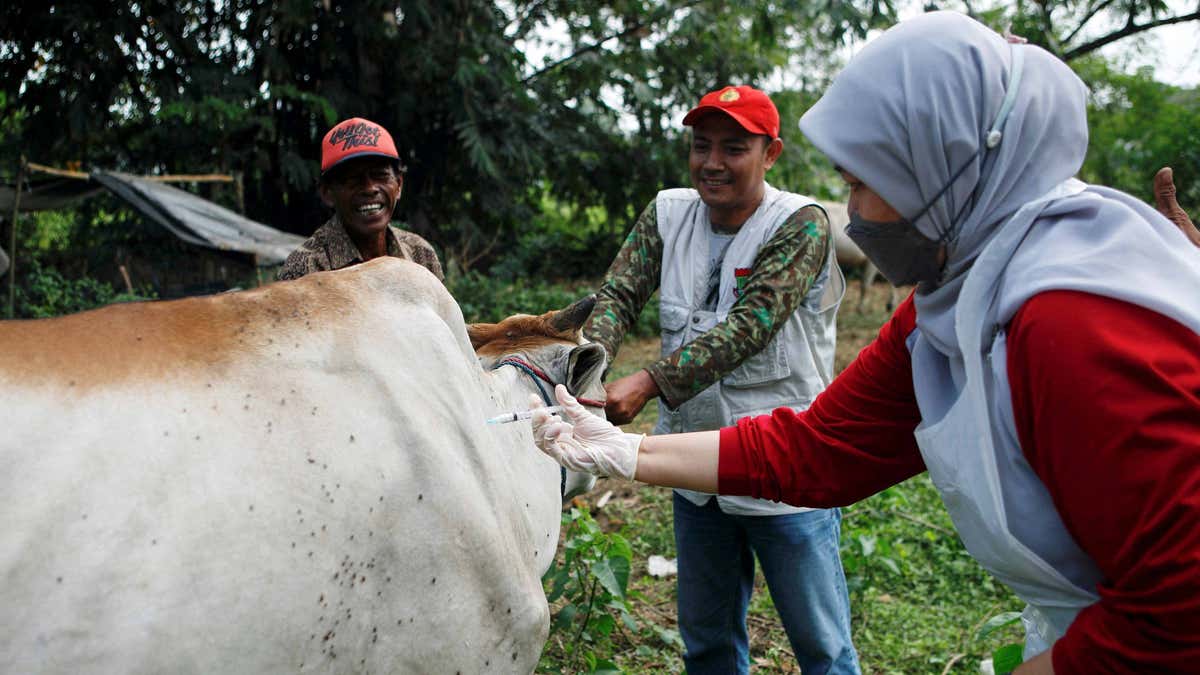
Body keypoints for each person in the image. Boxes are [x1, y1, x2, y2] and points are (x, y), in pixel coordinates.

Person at [531, 12, 1200, 674]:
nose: (855, 215)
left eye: (862, 184)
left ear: (942, 169)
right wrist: (630, 452)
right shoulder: (955, 304)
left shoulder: (1068, 323)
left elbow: (1178, 607)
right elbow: (821, 445)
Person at [583, 84, 859, 674]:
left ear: (771, 154)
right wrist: (593, 364)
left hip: (786, 471)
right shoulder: (668, 213)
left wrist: (646, 382)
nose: (712, 163)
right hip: (697, 469)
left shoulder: (801, 224)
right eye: (701, 145)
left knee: (822, 648)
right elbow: (619, 293)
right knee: (706, 644)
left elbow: (749, 327)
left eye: (733, 148)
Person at [277, 117, 443, 282]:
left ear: (398, 184)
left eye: (380, 175)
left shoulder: (420, 254)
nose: (370, 188)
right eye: (353, 179)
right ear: (327, 193)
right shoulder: (305, 269)